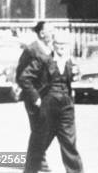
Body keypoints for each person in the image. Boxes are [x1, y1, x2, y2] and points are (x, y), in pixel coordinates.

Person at [18, 32, 84, 173]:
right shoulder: (43, 59)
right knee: (39, 144)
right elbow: (24, 78)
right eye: (58, 45)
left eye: (64, 45)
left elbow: (74, 82)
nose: (61, 48)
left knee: (70, 145)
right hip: (48, 106)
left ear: (69, 47)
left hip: (66, 107)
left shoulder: (71, 63)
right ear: (53, 45)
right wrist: (35, 97)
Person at [16, 21, 54, 173]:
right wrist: (34, 96)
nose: (54, 32)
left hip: (48, 97)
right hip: (35, 98)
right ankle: (37, 165)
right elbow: (21, 75)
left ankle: (38, 163)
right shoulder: (31, 50)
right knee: (39, 130)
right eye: (51, 30)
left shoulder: (49, 49)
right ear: (42, 33)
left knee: (44, 130)